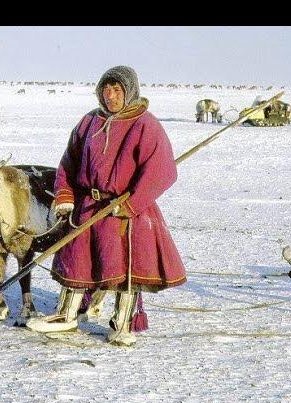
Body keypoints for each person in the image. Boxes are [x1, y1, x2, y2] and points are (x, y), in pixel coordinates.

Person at [26, 65, 186, 346]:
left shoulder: (145, 124)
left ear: (130, 92)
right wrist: (65, 196)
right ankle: (67, 314)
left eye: (117, 90)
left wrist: (132, 204)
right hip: (89, 204)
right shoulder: (89, 122)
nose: (110, 95)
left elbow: (162, 171)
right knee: (78, 259)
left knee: (124, 265)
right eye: (106, 89)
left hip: (124, 208)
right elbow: (69, 162)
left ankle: (123, 322)